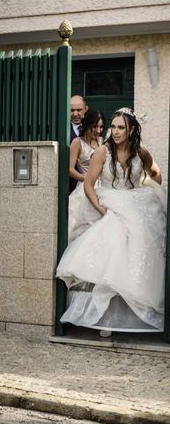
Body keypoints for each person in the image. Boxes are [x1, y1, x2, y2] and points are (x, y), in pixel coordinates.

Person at [57, 107, 165, 337]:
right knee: (113, 244)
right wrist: (101, 209)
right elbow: (88, 184)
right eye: (113, 127)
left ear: (131, 129)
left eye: (120, 127)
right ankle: (105, 316)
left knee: (141, 241)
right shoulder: (102, 152)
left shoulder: (141, 152)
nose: (115, 131)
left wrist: (146, 183)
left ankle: (137, 309)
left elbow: (157, 173)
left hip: (135, 201)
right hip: (109, 201)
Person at [68, 109, 104, 190]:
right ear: (87, 124)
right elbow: (70, 169)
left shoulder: (102, 141)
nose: (98, 131)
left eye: (101, 127)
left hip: (103, 186)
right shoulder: (77, 142)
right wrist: (84, 178)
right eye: (94, 126)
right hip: (85, 186)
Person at [68, 95, 88, 193]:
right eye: (72, 110)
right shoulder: (62, 130)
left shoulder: (94, 129)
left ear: (86, 109)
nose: (75, 114)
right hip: (69, 185)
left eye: (79, 110)